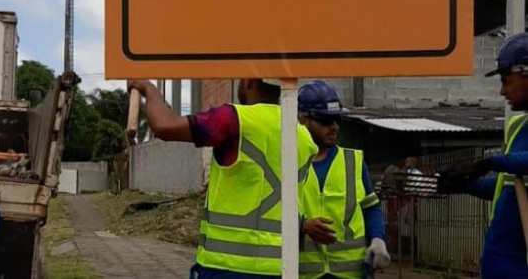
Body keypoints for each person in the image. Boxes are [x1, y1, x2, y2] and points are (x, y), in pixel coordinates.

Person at [128, 78, 319, 278]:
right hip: (280, 268)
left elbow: (164, 126)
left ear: (249, 82)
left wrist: (148, 88)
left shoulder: (233, 119)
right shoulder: (303, 137)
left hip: (224, 267)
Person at [437, 32, 528, 279]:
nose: (502, 91)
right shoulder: (520, 126)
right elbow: (507, 187)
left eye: (506, 79)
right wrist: (465, 184)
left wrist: (489, 162)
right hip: (500, 264)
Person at [296, 81, 390, 279]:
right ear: (302, 120)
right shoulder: (287, 164)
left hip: (350, 274)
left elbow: (370, 209)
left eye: (336, 119)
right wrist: (302, 226)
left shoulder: (353, 162)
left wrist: (377, 240)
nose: (334, 127)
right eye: (325, 120)